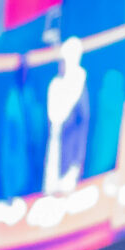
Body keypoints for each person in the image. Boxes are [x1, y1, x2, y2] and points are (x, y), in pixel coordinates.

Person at [43, 38, 90, 195]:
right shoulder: (56, 84)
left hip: (70, 153)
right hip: (54, 147)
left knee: (65, 192)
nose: (61, 65)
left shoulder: (79, 85)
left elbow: (82, 126)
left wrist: (78, 159)